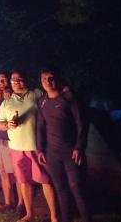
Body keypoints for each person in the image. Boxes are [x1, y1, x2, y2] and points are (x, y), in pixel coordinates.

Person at [0, 71, 57, 222]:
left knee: (45, 180)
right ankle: (29, 214)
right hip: (16, 147)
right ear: (10, 83)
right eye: (14, 80)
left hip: (35, 146)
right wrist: (7, 125)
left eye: (20, 79)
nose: (16, 82)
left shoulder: (35, 94)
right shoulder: (7, 102)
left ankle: (54, 216)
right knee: (24, 181)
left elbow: (51, 93)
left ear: (25, 80)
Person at [37, 69, 89, 222]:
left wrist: (79, 146)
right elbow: (40, 126)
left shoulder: (69, 98)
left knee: (76, 187)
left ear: (57, 79)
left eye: (50, 78)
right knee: (60, 188)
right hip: (52, 153)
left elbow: (82, 123)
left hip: (70, 152)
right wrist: (40, 149)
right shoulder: (42, 101)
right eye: (43, 79)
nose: (47, 81)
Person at [0, 72, 22, 212]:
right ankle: (8, 202)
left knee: (17, 174)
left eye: (5, 80)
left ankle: (20, 203)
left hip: (11, 140)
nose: (2, 83)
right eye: (0, 81)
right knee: (3, 172)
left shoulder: (13, 97)